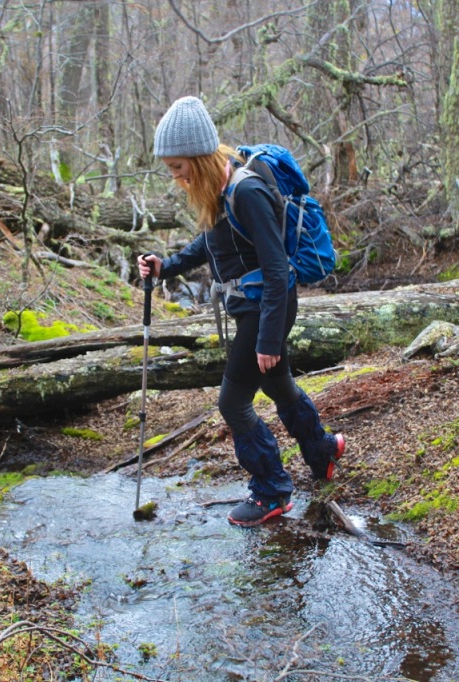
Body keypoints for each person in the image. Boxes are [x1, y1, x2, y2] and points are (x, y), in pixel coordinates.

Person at [136, 97, 345, 526]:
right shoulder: (220, 190)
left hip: (266, 306)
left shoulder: (246, 192)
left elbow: (276, 271)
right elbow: (209, 244)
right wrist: (166, 265)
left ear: (198, 156)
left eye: (178, 166)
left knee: (233, 403)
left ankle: (271, 491)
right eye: (171, 168)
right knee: (279, 386)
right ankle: (323, 450)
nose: (175, 176)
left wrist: (268, 338)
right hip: (255, 305)